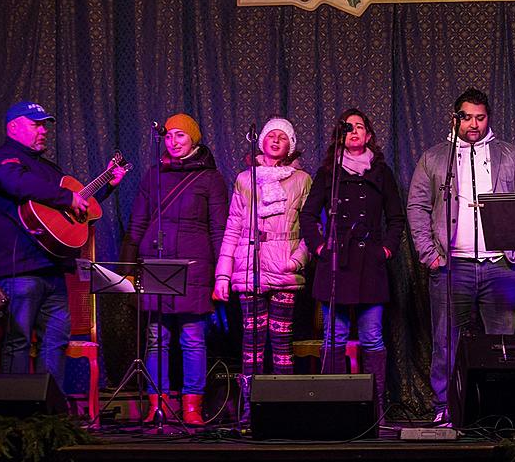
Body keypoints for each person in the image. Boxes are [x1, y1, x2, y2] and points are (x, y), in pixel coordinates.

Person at [406, 88, 515, 424]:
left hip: (500, 266)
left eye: (480, 117)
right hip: (453, 267)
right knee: (446, 342)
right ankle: (444, 408)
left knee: (503, 343)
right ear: (456, 118)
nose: (474, 124)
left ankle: (500, 410)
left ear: (488, 117)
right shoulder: (435, 158)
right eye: (467, 117)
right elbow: (417, 206)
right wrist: (429, 254)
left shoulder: (509, 155)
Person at [0, 101, 127, 389]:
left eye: (44, 125)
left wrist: (108, 185)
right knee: (19, 342)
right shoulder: (4, 160)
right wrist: (65, 198)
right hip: (19, 271)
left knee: (55, 343)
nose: (43, 131)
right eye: (35, 124)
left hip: (54, 269)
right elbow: (17, 183)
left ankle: (51, 412)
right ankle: (19, 415)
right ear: (13, 127)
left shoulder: (50, 169)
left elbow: (74, 213)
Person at [121, 113, 228, 426]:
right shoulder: (153, 175)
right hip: (156, 263)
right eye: (169, 136)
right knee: (156, 337)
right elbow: (138, 222)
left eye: (180, 136)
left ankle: (192, 406)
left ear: (193, 138)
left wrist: (221, 274)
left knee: (192, 338)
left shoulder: (211, 179)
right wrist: (128, 270)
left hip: (195, 266)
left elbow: (219, 228)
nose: (173, 142)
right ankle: (160, 404)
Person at [299, 108, 405, 420]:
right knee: (335, 336)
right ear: (340, 136)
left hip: (370, 263)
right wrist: (320, 248)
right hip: (336, 264)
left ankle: (376, 407)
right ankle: (335, 406)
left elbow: (396, 218)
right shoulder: (328, 174)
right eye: (349, 128)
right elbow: (307, 215)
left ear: (369, 135)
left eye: (360, 127)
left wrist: (385, 250)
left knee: (372, 335)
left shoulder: (381, 173)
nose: (355, 132)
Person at [212, 117, 312, 425]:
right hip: (249, 268)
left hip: (282, 268)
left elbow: (312, 227)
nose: (276, 140)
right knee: (251, 344)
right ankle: (250, 409)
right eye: (272, 135)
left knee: (281, 343)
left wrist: (296, 261)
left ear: (290, 145)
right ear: (262, 141)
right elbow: (232, 227)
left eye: (283, 137)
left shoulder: (302, 180)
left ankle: (285, 410)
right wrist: (223, 275)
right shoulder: (245, 179)